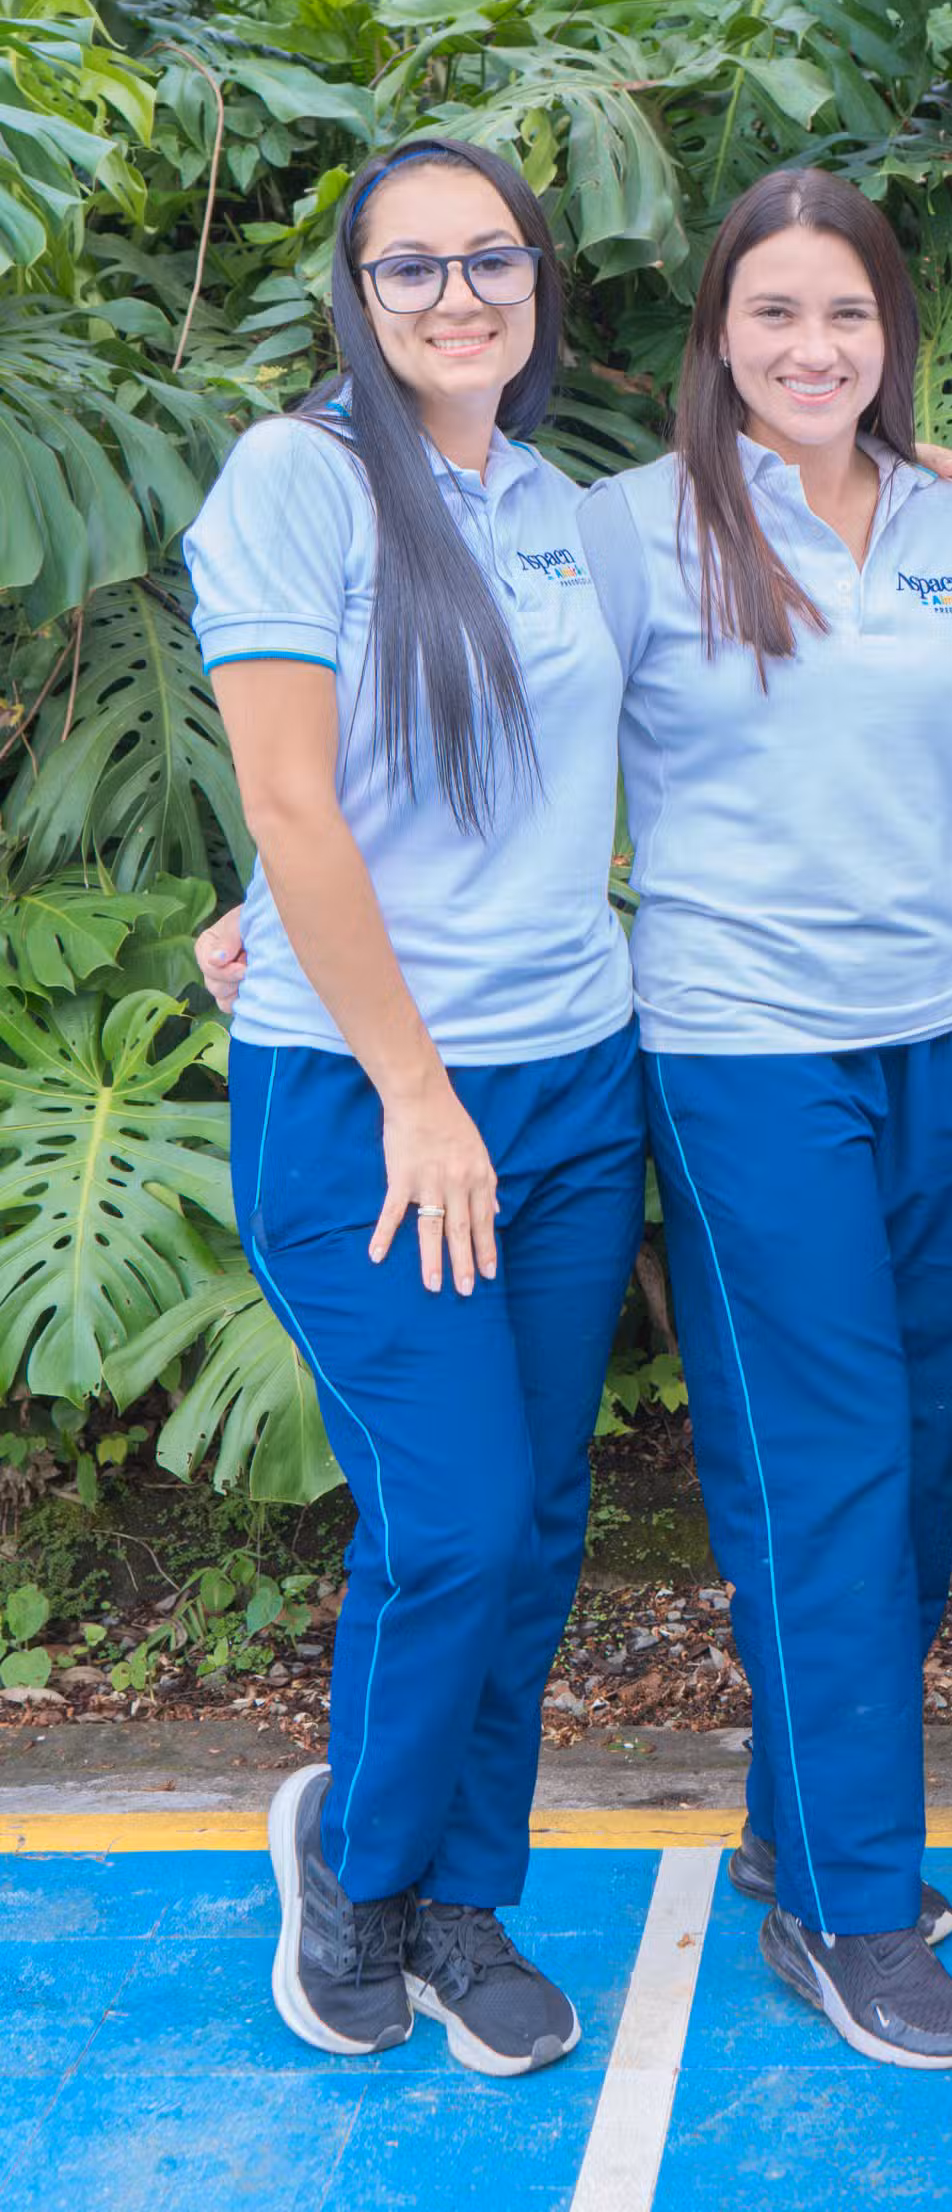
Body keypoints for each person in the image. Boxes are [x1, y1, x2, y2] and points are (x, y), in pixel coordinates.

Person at [182, 139, 648, 2075]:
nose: (460, 296)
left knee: (531, 1524)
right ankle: (357, 1868)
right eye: (412, 267)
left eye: (493, 259)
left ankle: (465, 1894)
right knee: (448, 1515)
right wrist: (412, 1082)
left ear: (539, 278)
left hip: (572, 1079)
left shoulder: (554, 504)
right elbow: (290, 797)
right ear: (356, 298)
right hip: (373, 1102)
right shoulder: (299, 480)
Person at [576, 167, 952, 2071]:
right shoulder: (629, 532)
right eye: (774, 311)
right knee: (823, 1469)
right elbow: (495, 741)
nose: (813, 346)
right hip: (744, 1055)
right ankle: (848, 1909)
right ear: (717, 334)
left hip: (935, 1035)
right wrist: (278, 900)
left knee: (911, 1464)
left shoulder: (951, 523)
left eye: (847, 311)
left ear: (891, 332)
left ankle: (792, 1822)